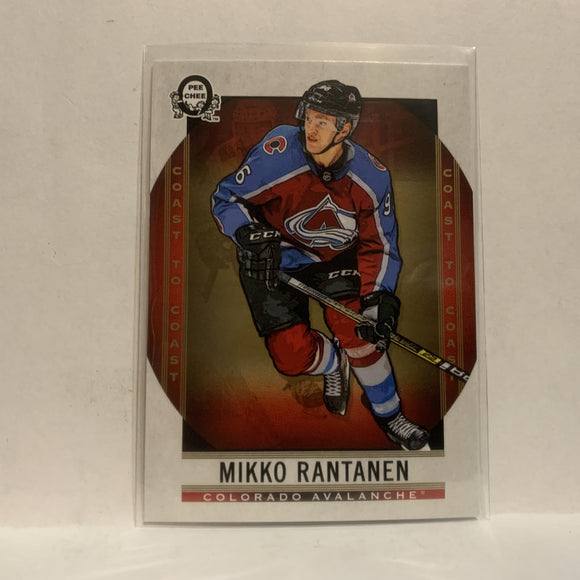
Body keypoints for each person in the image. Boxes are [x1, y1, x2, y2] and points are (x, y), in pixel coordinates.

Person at [211, 80, 430, 450]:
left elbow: (380, 244)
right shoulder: (278, 152)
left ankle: (391, 415)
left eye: (323, 122)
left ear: (345, 129)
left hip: (335, 258)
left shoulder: (372, 177)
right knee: (290, 357)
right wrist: (246, 232)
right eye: (309, 117)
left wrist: (379, 296)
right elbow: (226, 198)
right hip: (272, 257)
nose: (310, 128)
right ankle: (332, 363)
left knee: (360, 330)